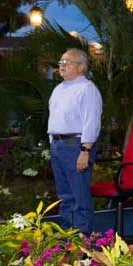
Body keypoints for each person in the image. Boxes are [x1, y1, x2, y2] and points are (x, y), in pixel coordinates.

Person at [48, 48, 103, 235]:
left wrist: (85, 150)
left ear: (81, 67)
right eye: (61, 62)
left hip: (76, 146)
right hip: (58, 145)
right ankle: (66, 240)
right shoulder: (58, 89)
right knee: (65, 197)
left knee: (79, 196)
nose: (62, 65)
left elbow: (91, 121)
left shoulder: (87, 89)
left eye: (67, 62)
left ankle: (82, 241)